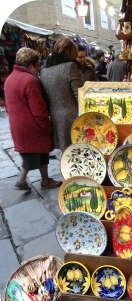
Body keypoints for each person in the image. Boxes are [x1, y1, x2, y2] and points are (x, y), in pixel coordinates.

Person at [4, 47, 62, 191]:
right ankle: (26, 180)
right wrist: (46, 124)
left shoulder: (9, 78)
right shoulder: (30, 80)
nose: (38, 69)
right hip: (32, 126)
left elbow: (7, 105)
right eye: (37, 65)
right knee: (36, 154)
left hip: (17, 125)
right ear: (31, 65)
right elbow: (38, 109)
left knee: (35, 153)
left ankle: (42, 180)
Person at [40, 36, 84, 152]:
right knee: (78, 152)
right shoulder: (70, 66)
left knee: (66, 153)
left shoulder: (44, 69)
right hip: (73, 116)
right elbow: (80, 95)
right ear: (70, 51)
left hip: (55, 116)